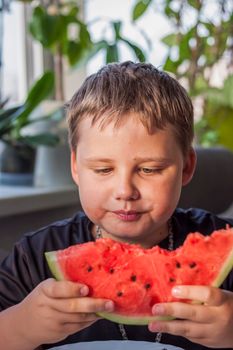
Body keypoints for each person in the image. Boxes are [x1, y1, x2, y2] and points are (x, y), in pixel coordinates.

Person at [0, 61, 233, 350]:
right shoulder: (34, 257)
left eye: (149, 169)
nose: (125, 191)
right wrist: (20, 327)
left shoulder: (225, 242)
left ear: (186, 167)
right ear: (75, 167)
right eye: (102, 170)